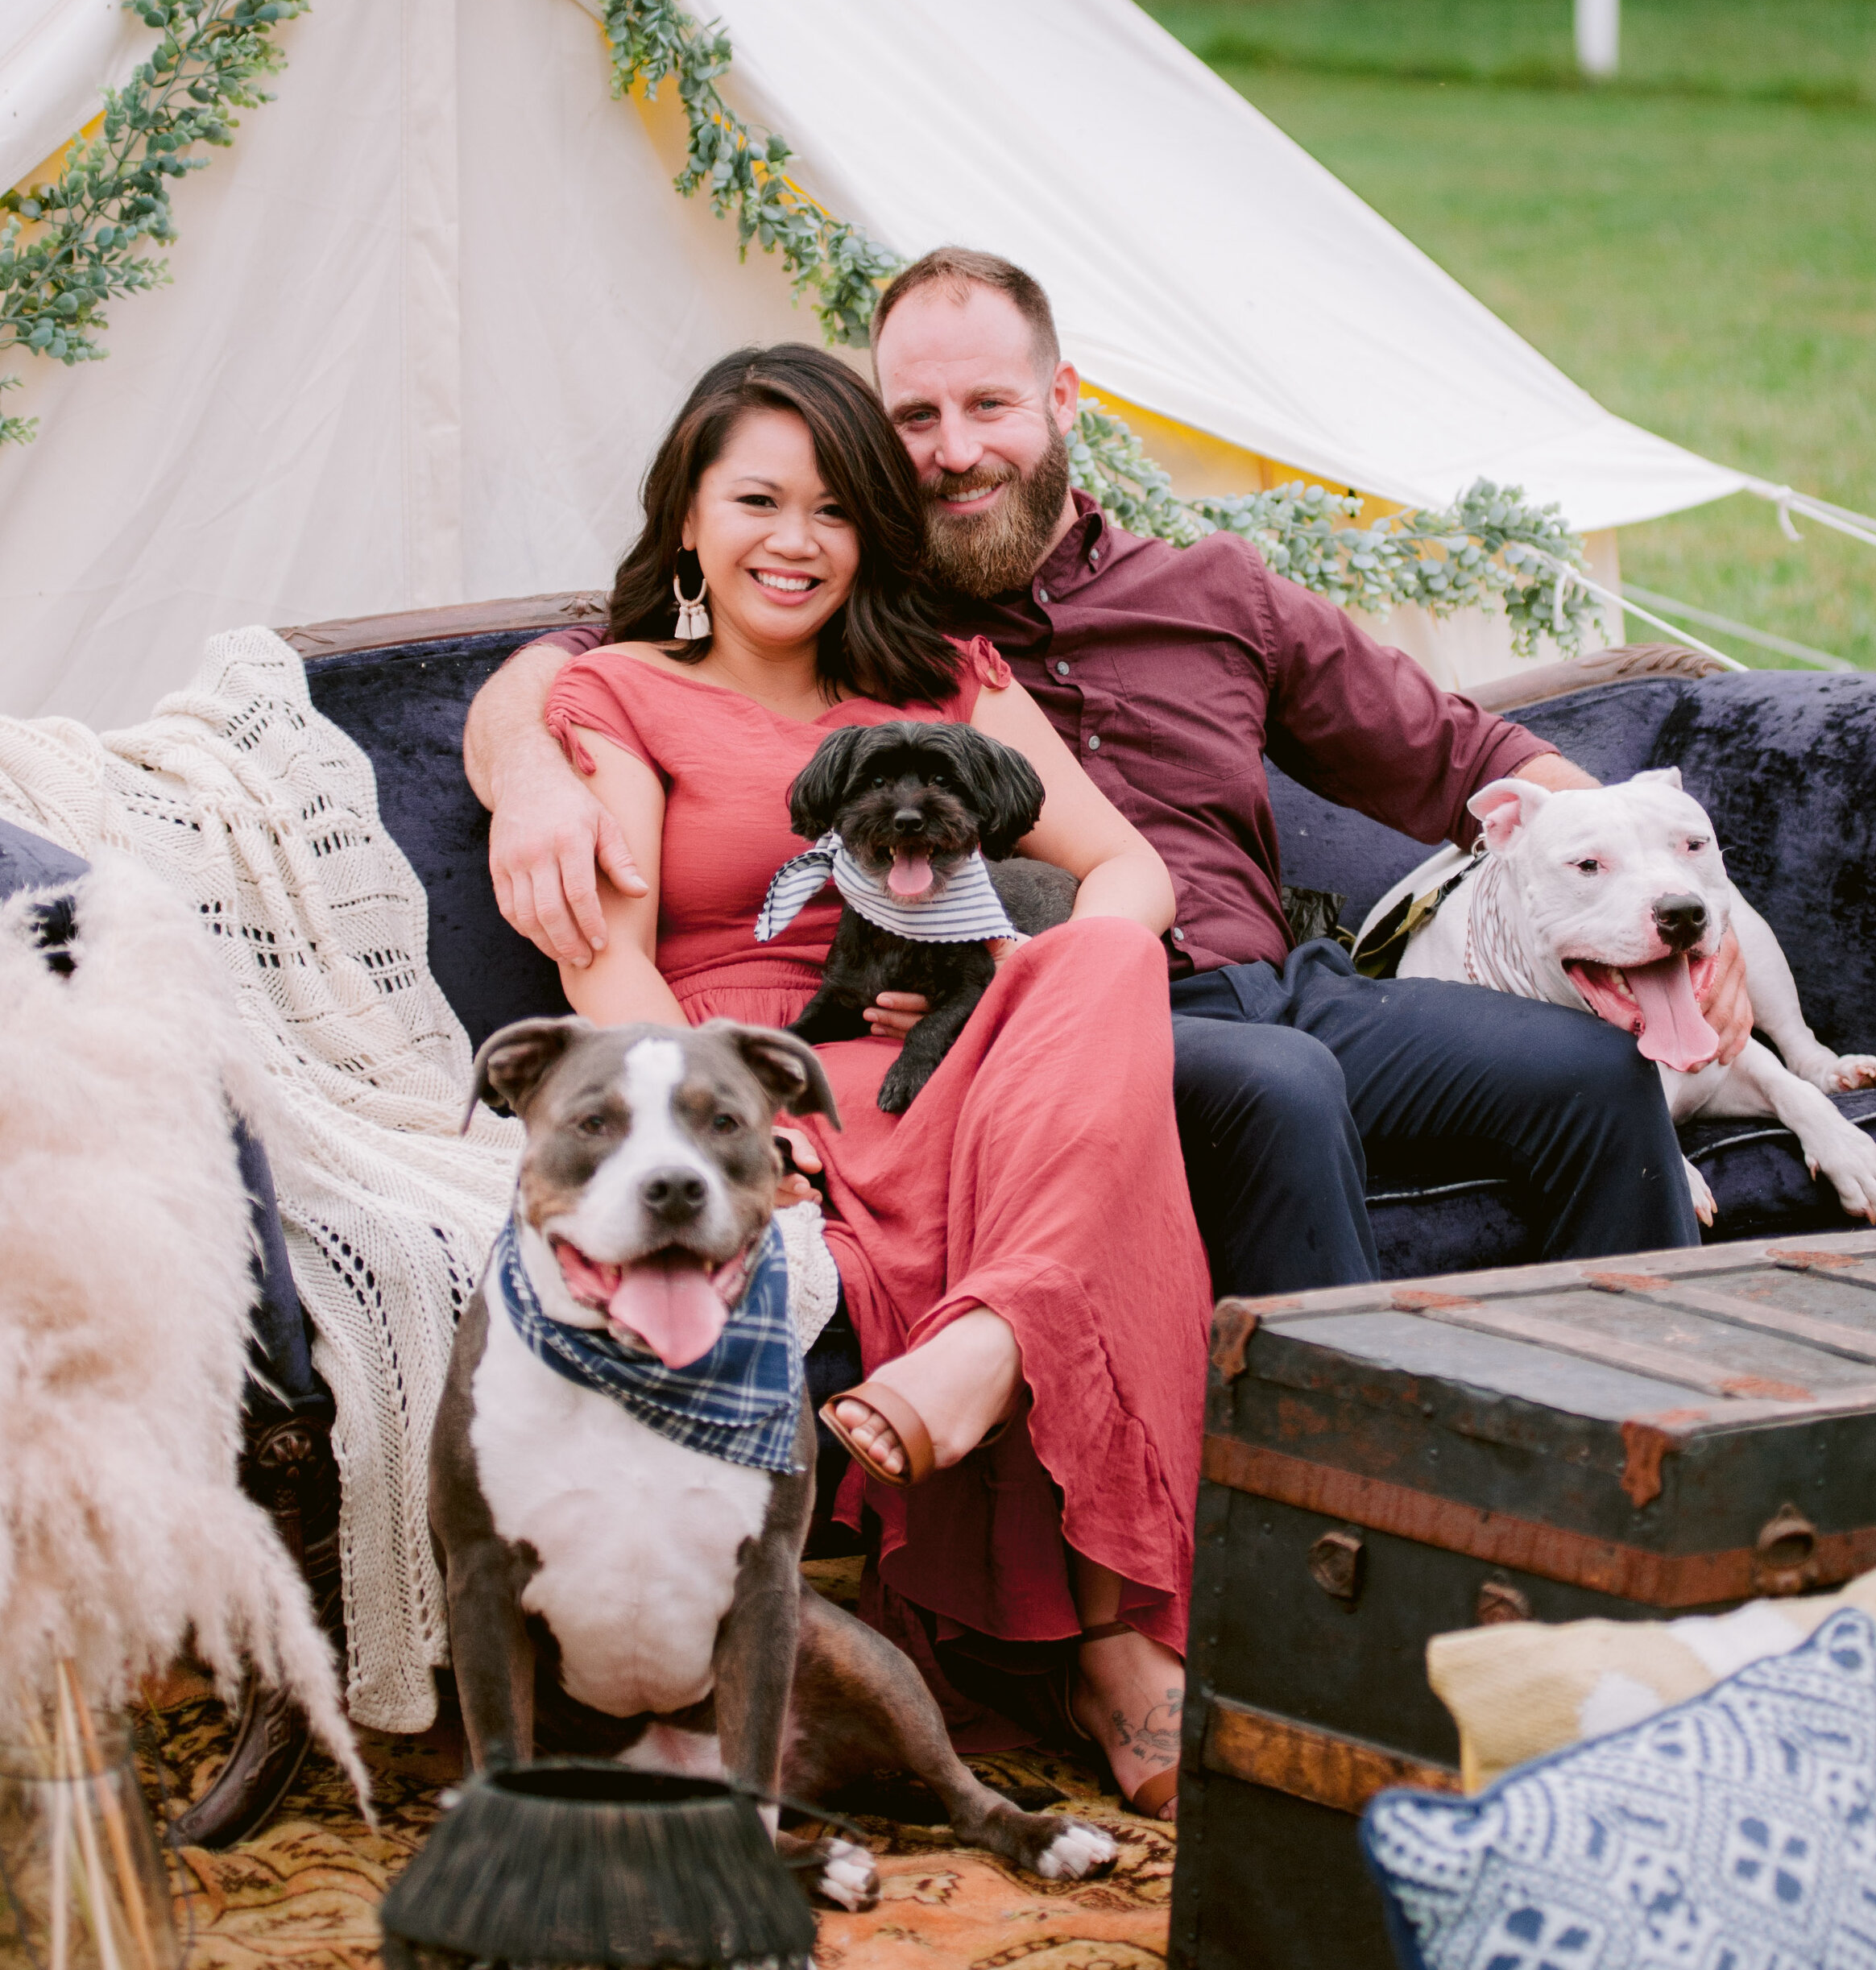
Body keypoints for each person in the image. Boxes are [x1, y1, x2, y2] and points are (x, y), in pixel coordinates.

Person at [468, 256, 1753, 1297]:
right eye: (913, 418)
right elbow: (607, 663)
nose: (955, 450)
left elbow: (1466, 757)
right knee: (1281, 1091)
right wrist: (526, 768)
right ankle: (1339, 1510)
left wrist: (1682, 917)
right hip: (1086, 1020)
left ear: (1063, 402)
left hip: (1282, 987)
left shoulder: (1216, 592)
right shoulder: (864, 607)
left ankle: (1640, 1459)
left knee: (1592, 1073)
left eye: (989, 407)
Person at [529, 341, 1210, 1818]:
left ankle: (989, 1363)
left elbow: (1128, 871)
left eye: (834, 507)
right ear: (691, 519)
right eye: (757, 500)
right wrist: (730, 1126)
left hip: (971, 1057)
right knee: (1110, 1147)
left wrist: (1035, 996)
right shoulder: (623, 693)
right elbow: (611, 961)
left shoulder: (943, 679)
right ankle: (1115, 1642)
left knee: (1101, 964)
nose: (796, 539)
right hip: (773, 1080)